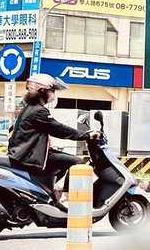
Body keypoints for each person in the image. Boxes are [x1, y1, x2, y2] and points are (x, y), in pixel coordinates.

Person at [8, 73, 95, 203]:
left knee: (62, 163)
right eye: (52, 90)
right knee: (78, 163)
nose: (54, 94)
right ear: (42, 91)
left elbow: (53, 129)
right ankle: (64, 198)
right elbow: (58, 129)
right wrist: (85, 135)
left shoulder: (30, 109)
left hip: (30, 153)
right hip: (30, 156)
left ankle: (53, 193)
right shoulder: (38, 111)